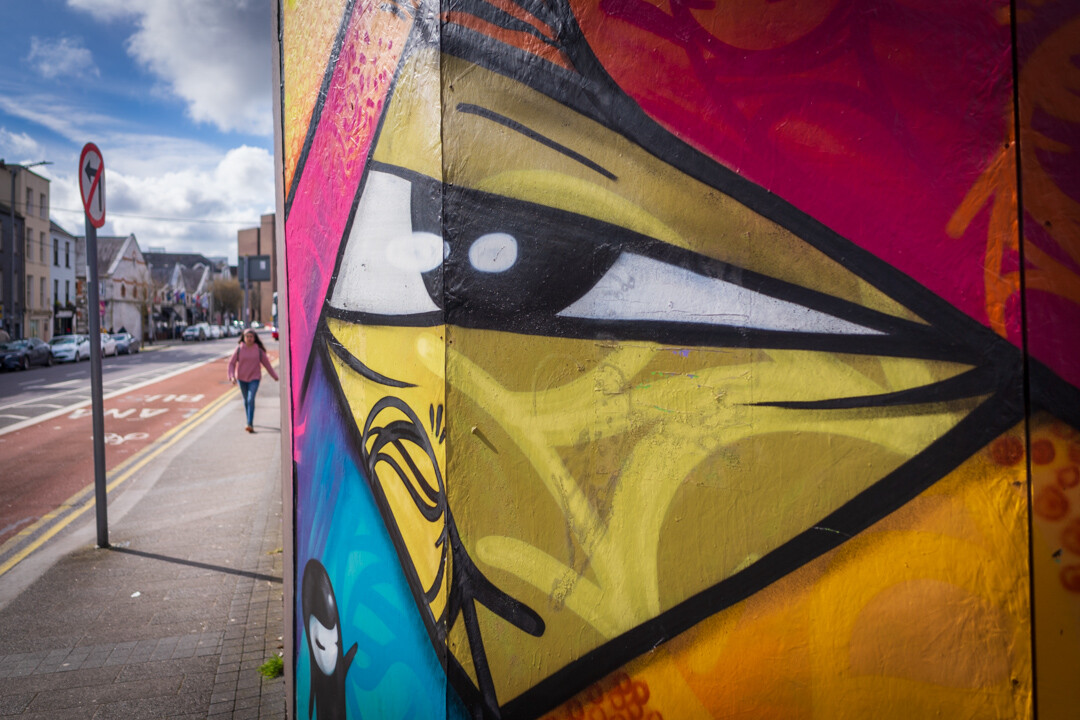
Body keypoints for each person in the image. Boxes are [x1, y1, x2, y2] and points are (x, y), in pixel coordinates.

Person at [227, 328, 278, 433]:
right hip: (241, 378)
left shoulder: (258, 350)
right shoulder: (239, 349)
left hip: (254, 378)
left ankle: (250, 423)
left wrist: (274, 376)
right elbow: (231, 363)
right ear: (243, 338)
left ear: (254, 338)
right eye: (247, 337)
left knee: (250, 399)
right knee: (246, 400)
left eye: (251, 337)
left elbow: (267, 364)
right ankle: (248, 419)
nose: (249, 338)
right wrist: (232, 377)